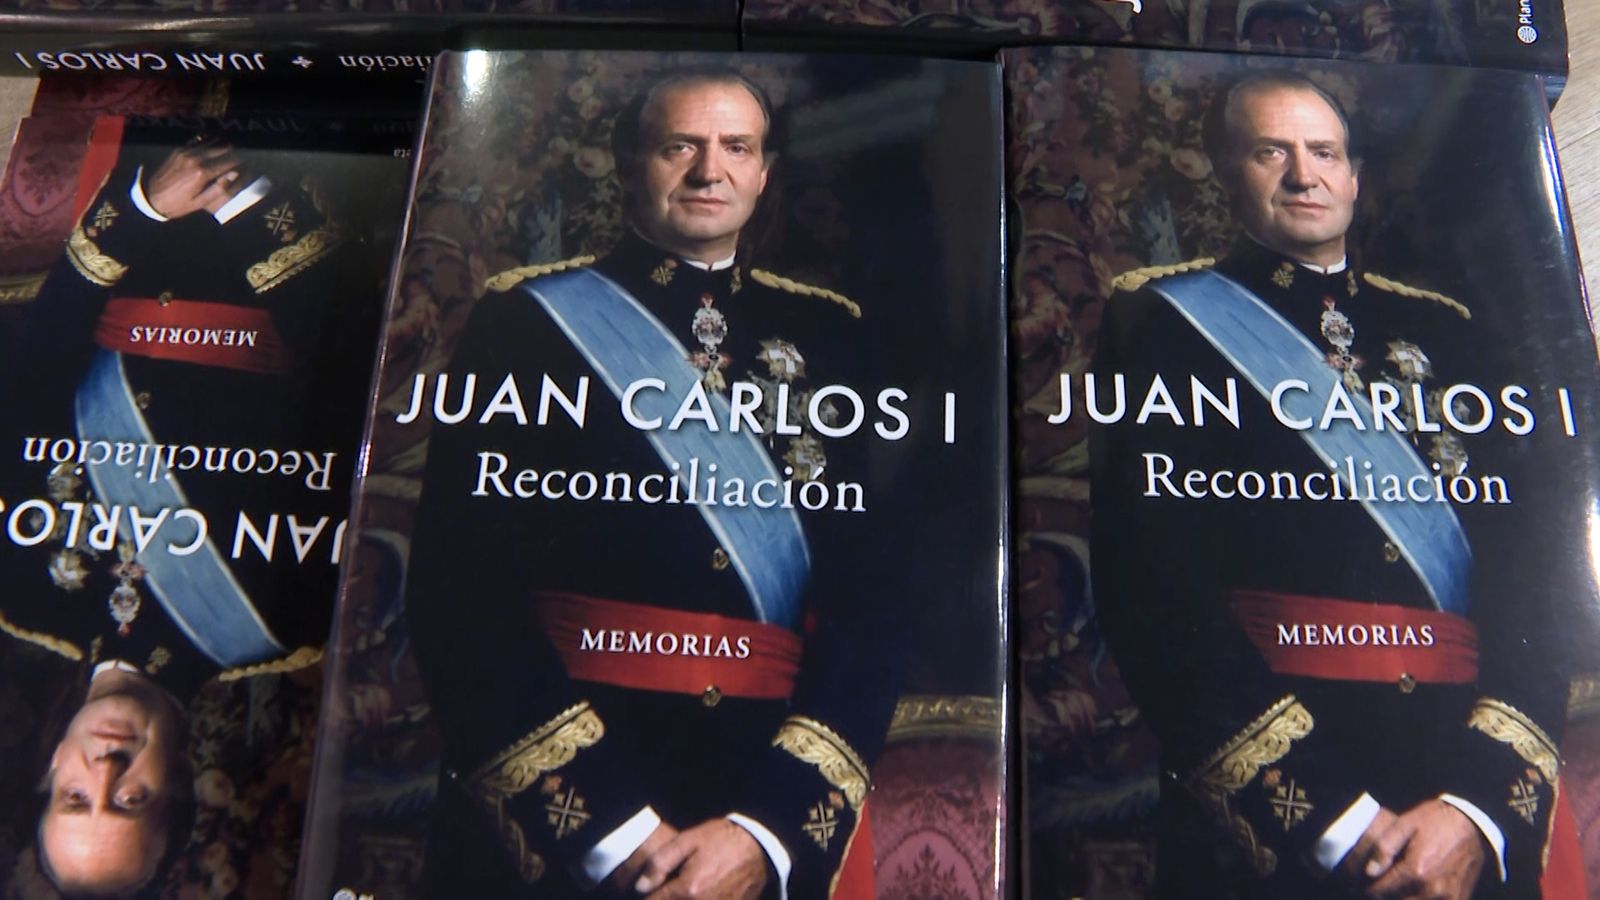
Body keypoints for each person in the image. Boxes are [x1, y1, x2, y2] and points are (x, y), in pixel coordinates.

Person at [404, 67, 900, 899]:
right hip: (580, 796)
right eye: (682, 146)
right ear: (628, 162)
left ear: (765, 171)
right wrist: (612, 835)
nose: (712, 172)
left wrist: (766, 832)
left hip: (758, 791)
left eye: (737, 148)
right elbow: (462, 595)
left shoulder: (835, 337)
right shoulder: (524, 324)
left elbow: (877, 602)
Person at [1093, 71, 1571, 899]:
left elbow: (1535, 584)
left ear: (1354, 176)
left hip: (1457, 782)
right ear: (1223, 171)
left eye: (1324, 152)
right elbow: (1155, 596)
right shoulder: (1162, 323)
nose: (1304, 175)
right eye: (1271, 151)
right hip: (1284, 815)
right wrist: (1335, 825)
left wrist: (1474, 808)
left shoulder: (1446, 334)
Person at [0, 117, 390, 895]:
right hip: (307, 216)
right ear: (183, 785)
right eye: (131, 801)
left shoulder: (16, 590)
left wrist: (142, 209)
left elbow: (27, 375)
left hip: (122, 217)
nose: (105, 769)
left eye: (78, 798)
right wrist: (243, 205)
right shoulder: (298, 621)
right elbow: (357, 385)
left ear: (49, 769)